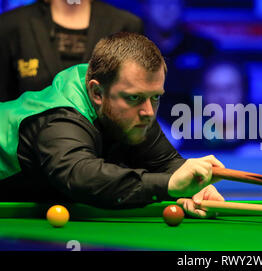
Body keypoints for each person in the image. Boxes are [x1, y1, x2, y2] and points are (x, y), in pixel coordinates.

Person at [0, 32, 225, 218]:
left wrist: (196, 185)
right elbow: (82, 176)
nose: (148, 111)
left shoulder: (129, 107)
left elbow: (166, 163)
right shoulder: (59, 120)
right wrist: (169, 184)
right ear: (97, 92)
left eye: (155, 97)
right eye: (134, 98)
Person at [0, 0, 144, 101]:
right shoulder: (9, 26)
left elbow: (135, 99)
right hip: (28, 141)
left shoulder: (125, 26)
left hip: (103, 142)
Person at [141, 0, 218, 123]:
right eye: (158, 1)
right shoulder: (128, 48)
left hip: (196, 130)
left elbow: (217, 99)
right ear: (145, 6)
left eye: (173, 1)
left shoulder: (204, 48)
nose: (166, 7)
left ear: (183, 5)